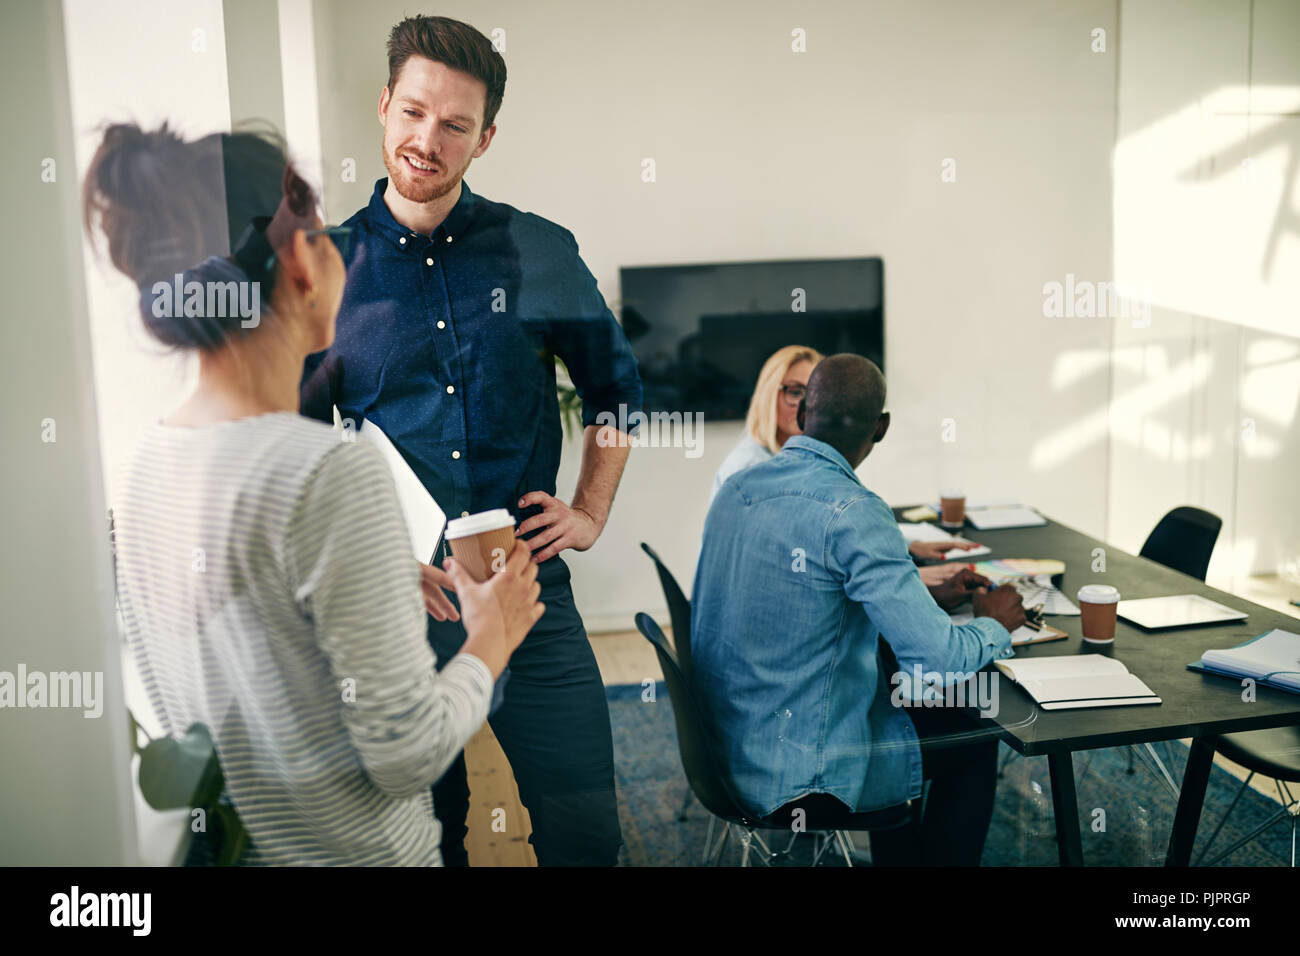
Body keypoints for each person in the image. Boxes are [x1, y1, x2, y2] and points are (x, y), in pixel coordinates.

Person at [85, 122, 543, 865]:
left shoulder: (147, 467)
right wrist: (496, 633)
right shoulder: (325, 471)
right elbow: (407, 754)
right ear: (301, 260)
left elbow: (234, 648)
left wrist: (367, 577)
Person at [299, 15, 639, 866]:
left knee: (587, 834)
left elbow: (619, 392)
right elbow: (294, 452)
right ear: (383, 106)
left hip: (530, 597)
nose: (427, 140)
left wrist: (590, 512)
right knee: (427, 839)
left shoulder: (539, 249)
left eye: (454, 125)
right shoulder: (323, 271)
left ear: (484, 138)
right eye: (413, 113)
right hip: (395, 616)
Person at [690, 353, 1026, 866]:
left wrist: (915, 598)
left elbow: (796, 596)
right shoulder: (855, 510)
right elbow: (936, 660)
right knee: (976, 731)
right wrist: (994, 623)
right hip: (799, 770)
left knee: (901, 698)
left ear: (804, 416)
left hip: (724, 745)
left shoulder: (737, 488)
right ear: (882, 427)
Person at [711, 345, 980, 565]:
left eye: (816, 393)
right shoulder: (751, 471)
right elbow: (795, 562)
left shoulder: (800, 462)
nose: (808, 404)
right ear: (768, 396)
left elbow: (825, 534)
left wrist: (909, 545)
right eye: (795, 392)